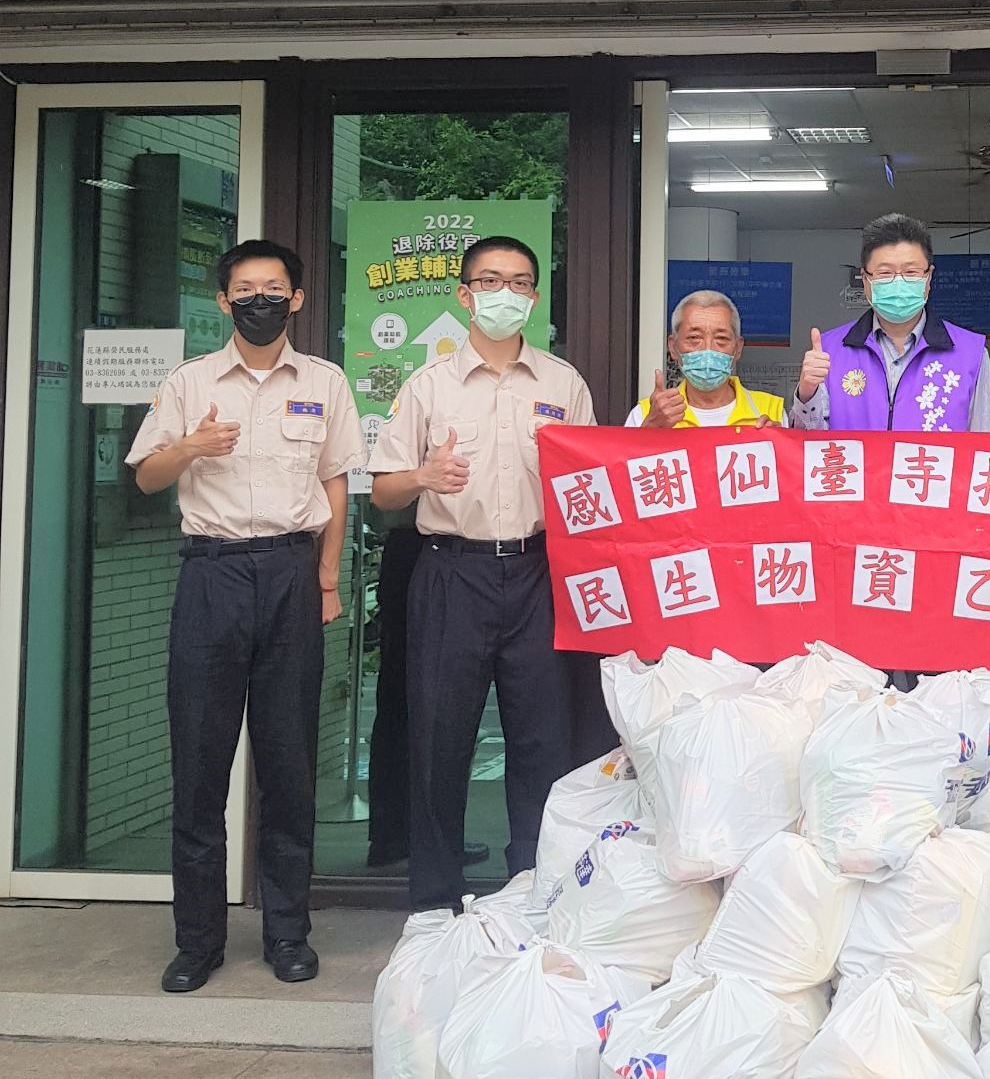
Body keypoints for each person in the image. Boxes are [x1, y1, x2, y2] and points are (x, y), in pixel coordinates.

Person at [127, 239, 361, 994]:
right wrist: (190, 446)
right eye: (245, 289)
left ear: (297, 299)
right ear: (224, 301)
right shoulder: (189, 382)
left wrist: (327, 580)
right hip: (211, 575)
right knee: (199, 764)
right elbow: (145, 476)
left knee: (289, 764)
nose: (260, 299)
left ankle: (288, 933)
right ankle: (197, 940)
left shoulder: (324, 382)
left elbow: (335, 489)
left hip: (293, 574)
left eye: (274, 288)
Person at [369, 233, 603, 912]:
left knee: (542, 741)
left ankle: (535, 895)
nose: (507, 293)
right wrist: (423, 476)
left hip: (536, 576)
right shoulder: (428, 386)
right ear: (465, 295)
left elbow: (589, 488)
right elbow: (383, 491)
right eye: (492, 281)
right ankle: (436, 902)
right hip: (451, 575)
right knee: (440, 738)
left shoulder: (563, 384)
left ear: (533, 296)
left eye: (521, 282)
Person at [789, 212, 990, 433]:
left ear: (929, 277)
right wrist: (807, 392)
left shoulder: (971, 354)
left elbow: (985, 444)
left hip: (927, 468)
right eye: (885, 273)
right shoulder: (830, 351)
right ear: (866, 280)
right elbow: (806, 450)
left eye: (911, 272)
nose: (899, 282)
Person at [626, 290, 786, 428]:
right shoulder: (647, 413)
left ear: (738, 348)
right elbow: (623, 463)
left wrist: (779, 442)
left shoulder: (771, 410)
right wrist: (650, 429)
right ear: (673, 347)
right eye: (694, 338)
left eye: (721, 338)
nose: (708, 349)